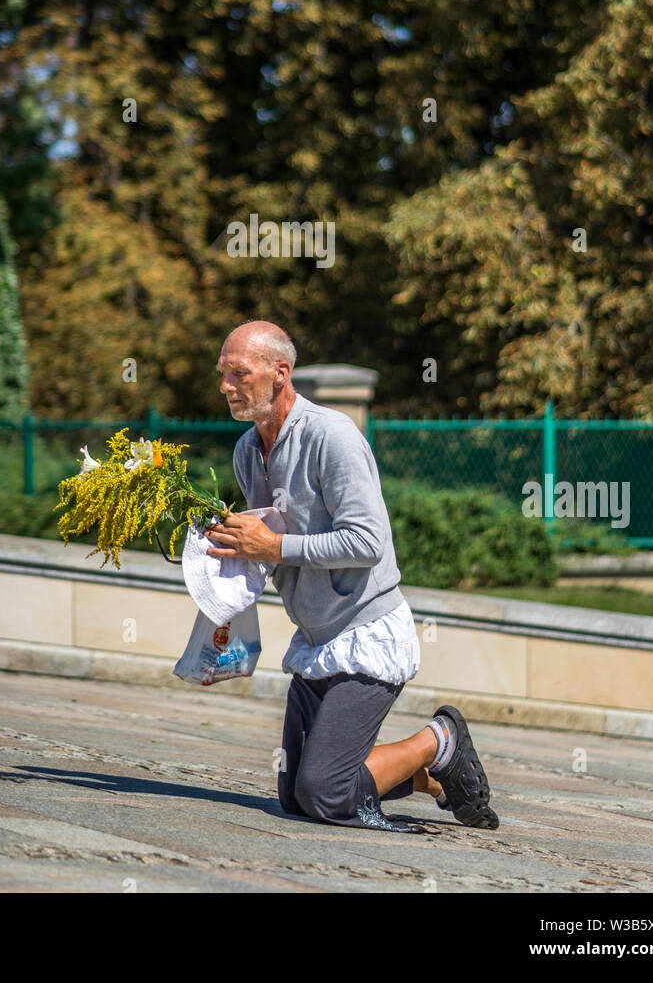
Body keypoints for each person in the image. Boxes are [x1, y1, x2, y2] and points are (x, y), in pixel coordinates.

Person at [207, 319, 499, 833]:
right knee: (295, 797)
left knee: (324, 793)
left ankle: (439, 739)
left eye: (238, 373)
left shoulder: (332, 435)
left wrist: (272, 545)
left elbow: (368, 542)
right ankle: (428, 776)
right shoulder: (246, 451)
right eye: (222, 373)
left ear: (280, 372)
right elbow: (272, 544)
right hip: (316, 637)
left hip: (366, 632)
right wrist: (225, 548)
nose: (226, 386)